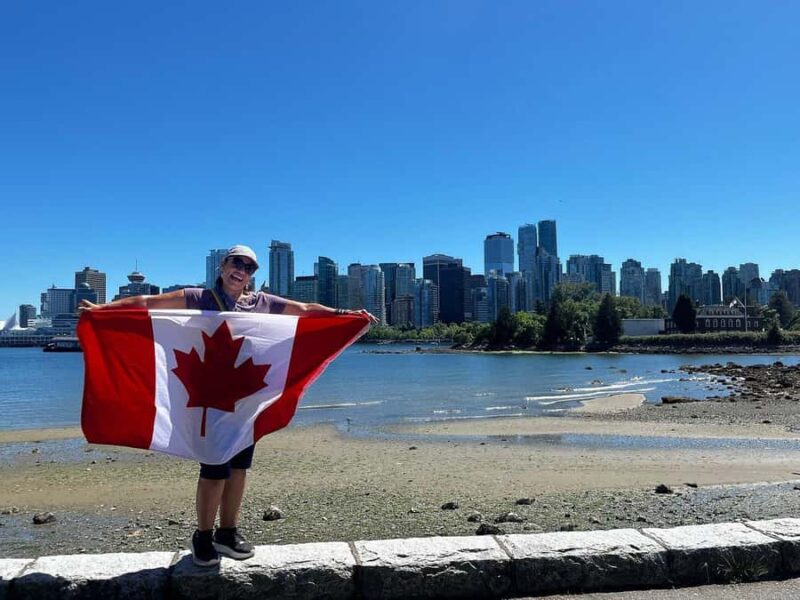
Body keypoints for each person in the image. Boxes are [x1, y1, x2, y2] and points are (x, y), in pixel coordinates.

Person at [79, 244, 377, 566]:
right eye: (237, 263)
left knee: (238, 469)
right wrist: (104, 310)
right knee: (213, 469)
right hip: (206, 401)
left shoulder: (262, 303)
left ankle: (227, 532)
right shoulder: (197, 298)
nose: (242, 271)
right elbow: (148, 304)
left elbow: (304, 310)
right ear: (223, 266)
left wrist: (345, 316)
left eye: (249, 268)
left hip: (244, 403)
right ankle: (203, 536)